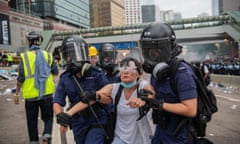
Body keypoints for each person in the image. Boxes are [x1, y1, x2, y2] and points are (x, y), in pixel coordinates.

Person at [56, 57, 156, 144]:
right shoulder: (114, 89)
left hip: (143, 138)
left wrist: (143, 100)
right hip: (121, 139)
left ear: (138, 74)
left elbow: (151, 94)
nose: (126, 72)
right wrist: (68, 114)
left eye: (130, 69)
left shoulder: (143, 86)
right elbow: (93, 98)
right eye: (123, 68)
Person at [140, 22, 198, 144]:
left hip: (179, 133)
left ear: (167, 47)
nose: (152, 54)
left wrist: (159, 104)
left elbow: (190, 109)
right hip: (161, 128)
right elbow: (157, 96)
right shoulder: (157, 71)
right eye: (149, 50)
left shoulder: (181, 72)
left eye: (156, 50)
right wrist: (149, 96)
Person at [13, 31, 59, 144]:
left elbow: (21, 78)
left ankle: (34, 141)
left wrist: (17, 93)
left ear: (30, 41)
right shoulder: (48, 55)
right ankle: (47, 135)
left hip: (31, 96)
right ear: (39, 42)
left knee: (32, 121)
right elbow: (56, 72)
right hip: (47, 94)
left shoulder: (24, 57)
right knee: (48, 117)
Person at [53, 60, 109, 144]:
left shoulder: (96, 74)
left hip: (96, 118)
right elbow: (57, 100)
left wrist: (95, 96)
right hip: (78, 122)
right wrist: (61, 117)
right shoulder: (66, 77)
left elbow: (109, 98)